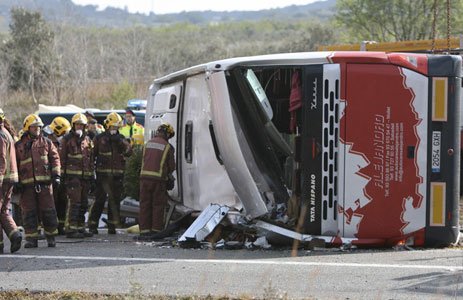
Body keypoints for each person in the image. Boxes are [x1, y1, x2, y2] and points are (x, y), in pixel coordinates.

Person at [15, 114, 60, 248]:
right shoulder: (19, 145)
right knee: (29, 212)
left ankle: (51, 237)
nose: (37, 130)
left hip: (45, 185)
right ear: (27, 128)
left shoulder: (47, 142)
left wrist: (56, 175)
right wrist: (16, 182)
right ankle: (31, 239)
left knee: (48, 211)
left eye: (39, 127)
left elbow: (55, 158)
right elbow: (14, 163)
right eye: (34, 127)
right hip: (26, 186)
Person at [88, 112, 132, 234]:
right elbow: (92, 156)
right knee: (99, 201)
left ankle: (112, 226)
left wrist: (121, 142)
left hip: (117, 176)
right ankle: (92, 226)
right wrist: (91, 174)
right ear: (108, 126)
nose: (115, 130)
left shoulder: (121, 138)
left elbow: (129, 152)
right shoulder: (99, 139)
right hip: (102, 176)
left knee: (115, 201)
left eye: (117, 127)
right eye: (113, 127)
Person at [137, 123, 175, 241]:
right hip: (158, 180)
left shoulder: (148, 143)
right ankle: (156, 231)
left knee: (144, 205)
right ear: (166, 133)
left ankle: (144, 231)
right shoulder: (167, 146)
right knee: (158, 206)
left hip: (144, 179)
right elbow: (171, 166)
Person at [60, 113, 94, 238]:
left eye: (82, 125)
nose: (80, 126)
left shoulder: (87, 140)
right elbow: (62, 159)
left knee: (84, 203)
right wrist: (61, 176)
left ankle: (80, 227)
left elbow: (90, 159)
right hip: (72, 178)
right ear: (73, 125)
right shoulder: (67, 139)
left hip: (85, 178)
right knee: (75, 203)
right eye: (77, 124)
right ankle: (71, 229)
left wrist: (91, 176)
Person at [0, 109, 22, 253]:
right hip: (10, 178)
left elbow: (1, 159)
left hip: (3, 179)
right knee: (3, 211)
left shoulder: (0, 135)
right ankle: (15, 234)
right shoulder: (6, 133)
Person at [48, 117, 71, 235]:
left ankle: (61, 226)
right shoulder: (49, 141)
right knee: (53, 202)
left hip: (64, 177)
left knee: (63, 202)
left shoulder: (65, 141)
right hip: (52, 177)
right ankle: (54, 227)